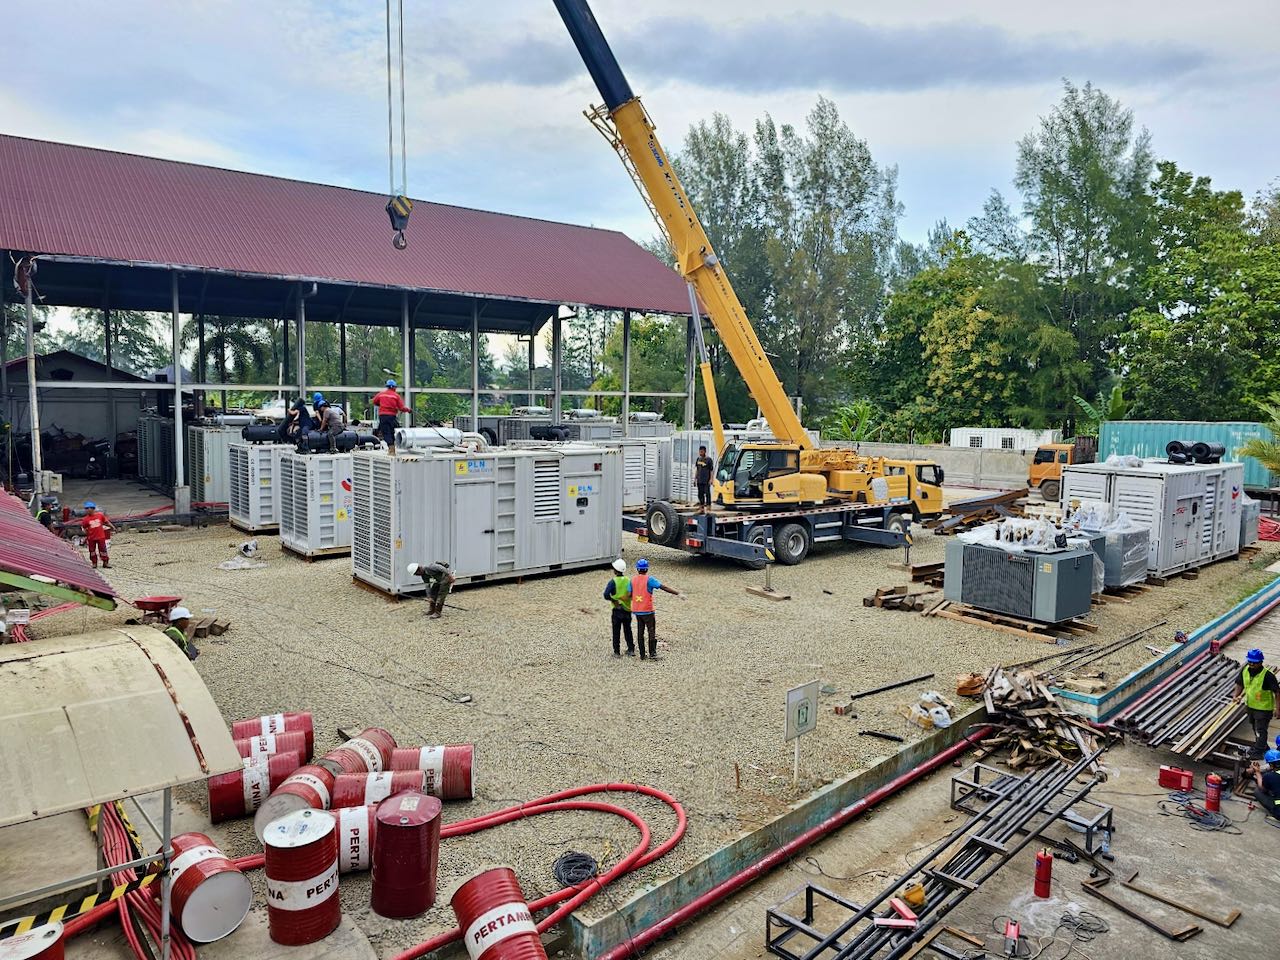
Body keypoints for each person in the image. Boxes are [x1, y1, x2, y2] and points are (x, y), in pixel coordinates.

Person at [1233, 648, 1280, 758]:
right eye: (1250, 661)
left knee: (1260, 730)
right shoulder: (1245, 670)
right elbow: (1240, 684)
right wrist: (1236, 696)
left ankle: (1258, 752)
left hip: (1263, 709)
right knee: (1255, 728)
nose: (1252, 664)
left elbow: (1277, 693)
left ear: (1260, 662)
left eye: (1254, 662)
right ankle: (1263, 747)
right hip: (1250, 706)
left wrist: (1278, 709)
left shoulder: (1268, 675)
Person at [631, 557, 680, 661]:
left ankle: (642, 655)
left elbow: (629, 593)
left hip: (637, 611)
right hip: (648, 611)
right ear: (647, 569)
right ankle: (652, 653)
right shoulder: (650, 579)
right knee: (651, 631)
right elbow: (664, 587)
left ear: (637, 569)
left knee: (640, 631)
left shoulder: (633, 580)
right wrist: (677, 593)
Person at [603, 558, 635, 657]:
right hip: (627, 609)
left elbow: (606, 595)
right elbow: (632, 593)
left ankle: (616, 652)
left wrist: (614, 600)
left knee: (616, 631)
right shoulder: (628, 580)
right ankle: (631, 650)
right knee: (628, 630)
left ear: (615, 570)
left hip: (617, 610)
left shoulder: (613, 582)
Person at [372, 379, 411, 456]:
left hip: (383, 416)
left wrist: (381, 404)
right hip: (392, 416)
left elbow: (374, 401)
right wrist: (409, 410)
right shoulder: (396, 396)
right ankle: (392, 448)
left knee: (385, 432)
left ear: (387, 387)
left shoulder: (381, 394)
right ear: (394, 387)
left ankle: (391, 448)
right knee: (391, 431)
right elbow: (401, 408)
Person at [79, 501, 113, 569]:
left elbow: (106, 522)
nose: (88, 510)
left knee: (103, 550)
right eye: (86, 508)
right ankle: (94, 563)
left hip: (101, 537)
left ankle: (105, 562)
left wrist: (113, 527)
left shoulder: (100, 516)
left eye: (89, 508)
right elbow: (84, 527)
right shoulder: (85, 519)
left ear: (93, 509)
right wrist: (87, 533)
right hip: (91, 538)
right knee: (92, 551)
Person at [1250, 749, 1280, 821]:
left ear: (1271, 765)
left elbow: (1262, 788)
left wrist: (1257, 771)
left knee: (1257, 791)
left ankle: (1275, 813)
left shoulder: (1269, 776)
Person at [695, 445, 715, 512]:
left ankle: (708, 507)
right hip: (699, 480)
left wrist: (711, 479)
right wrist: (695, 479)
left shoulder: (709, 460)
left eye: (702, 451)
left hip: (706, 480)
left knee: (707, 494)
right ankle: (701, 507)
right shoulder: (698, 459)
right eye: (700, 451)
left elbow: (711, 470)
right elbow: (697, 469)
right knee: (700, 494)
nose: (700, 453)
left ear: (705, 451)